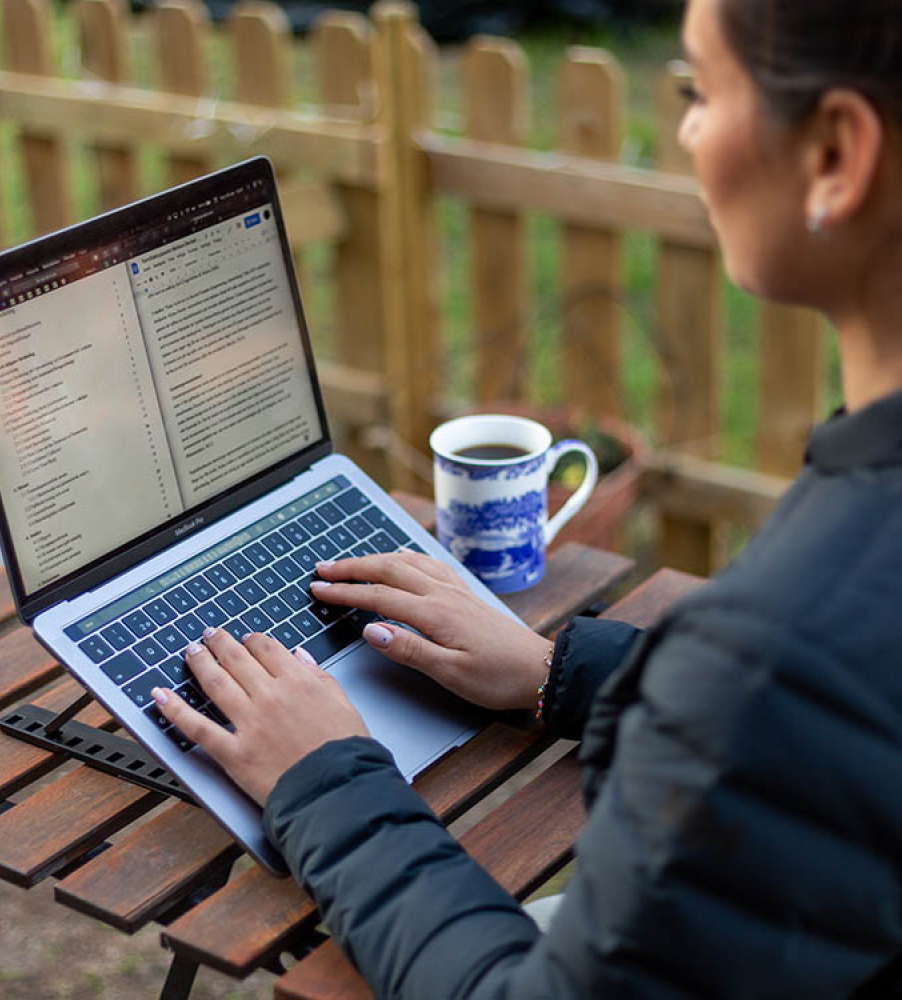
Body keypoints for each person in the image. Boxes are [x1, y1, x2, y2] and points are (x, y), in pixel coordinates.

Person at [152, 0, 902, 993]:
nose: (683, 129)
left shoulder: (773, 653)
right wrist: (555, 672)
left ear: (838, 156)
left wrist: (324, 777)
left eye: (698, 91)